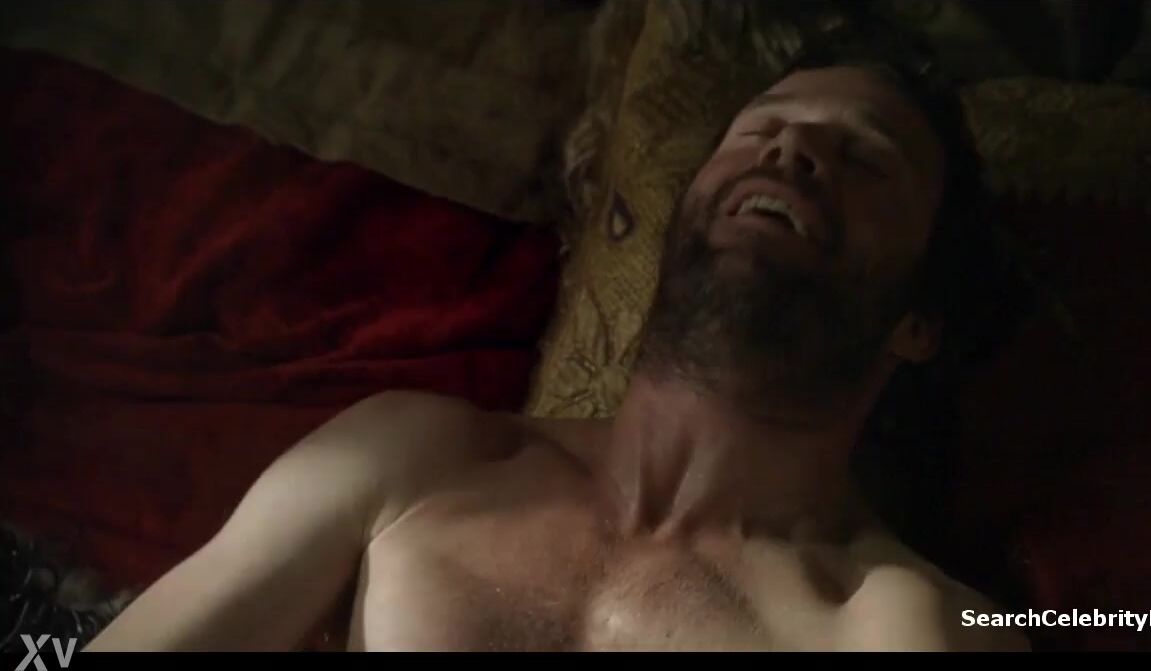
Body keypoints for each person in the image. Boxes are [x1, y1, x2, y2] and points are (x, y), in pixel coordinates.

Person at [85, 42, 1032, 652]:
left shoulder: (898, 624)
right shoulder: (414, 457)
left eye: (864, 158)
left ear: (920, 319)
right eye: (762, 130)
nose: (792, 152)